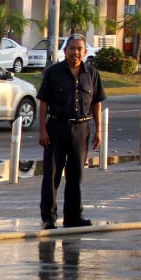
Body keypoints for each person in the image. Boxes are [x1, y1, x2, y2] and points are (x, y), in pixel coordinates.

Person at [37, 33, 105, 229]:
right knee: (52, 175)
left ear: (85, 52)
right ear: (65, 50)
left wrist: (99, 130)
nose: (75, 52)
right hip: (57, 128)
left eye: (79, 49)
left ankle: (73, 217)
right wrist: (43, 130)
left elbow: (96, 104)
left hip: (81, 129)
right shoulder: (53, 72)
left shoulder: (91, 74)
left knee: (76, 175)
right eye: (72, 48)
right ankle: (49, 218)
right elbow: (44, 103)